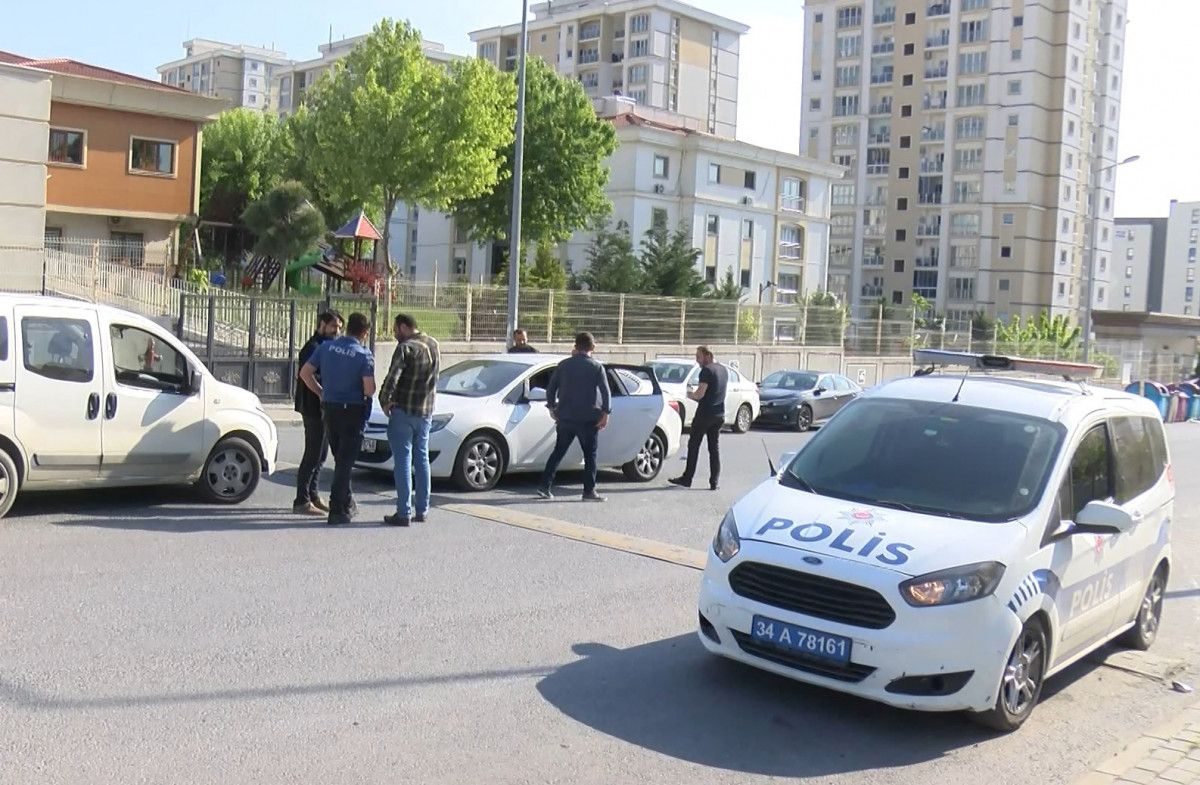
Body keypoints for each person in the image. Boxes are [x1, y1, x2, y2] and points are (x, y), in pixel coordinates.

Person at [299, 312, 375, 525]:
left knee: (341, 459)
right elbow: (369, 389)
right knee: (345, 463)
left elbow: (305, 373)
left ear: (347, 327)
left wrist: (322, 392)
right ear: (365, 333)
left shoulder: (325, 348)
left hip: (329, 410)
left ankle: (346, 503)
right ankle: (337, 508)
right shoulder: (364, 355)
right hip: (352, 411)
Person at [379, 313, 441, 527]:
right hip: (425, 412)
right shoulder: (433, 344)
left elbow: (392, 377)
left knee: (403, 462)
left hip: (404, 410)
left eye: (396, 330)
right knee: (422, 460)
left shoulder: (406, 347)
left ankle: (403, 512)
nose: (395, 334)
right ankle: (422, 509)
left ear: (404, 327)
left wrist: (384, 400)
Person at [537, 332, 611, 502]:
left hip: (565, 418)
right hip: (588, 419)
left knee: (558, 452)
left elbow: (551, 388)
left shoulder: (563, 365)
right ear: (593, 347)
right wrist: (606, 413)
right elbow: (606, 392)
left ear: (575, 346)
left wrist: (552, 407)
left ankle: (544, 487)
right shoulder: (596, 367)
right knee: (590, 456)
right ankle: (588, 491)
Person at [292, 310, 342, 515]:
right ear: (322, 324)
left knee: (321, 455)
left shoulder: (326, 347)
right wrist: (322, 393)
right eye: (333, 326)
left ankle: (313, 495)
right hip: (312, 409)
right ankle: (301, 501)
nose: (337, 331)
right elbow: (306, 375)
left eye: (339, 327)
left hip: (324, 409)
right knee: (312, 455)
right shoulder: (312, 347)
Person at [670, 346, 727, 491]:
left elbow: (700, 394)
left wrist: (688, 394)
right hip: (719, 414)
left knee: (694, 445)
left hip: (704, 414)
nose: (697, 361)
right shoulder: (723, 370)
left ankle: (687, 478)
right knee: (714, 448)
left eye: (699, 357)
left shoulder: (706, 371)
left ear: (708, 356)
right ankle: (714, 482)